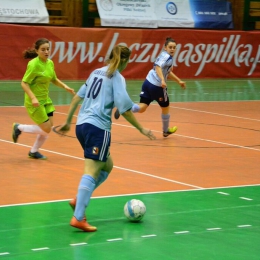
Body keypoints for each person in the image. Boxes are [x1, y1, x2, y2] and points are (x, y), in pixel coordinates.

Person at [57, 45, 156, 232]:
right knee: (91, 171)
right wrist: (142, 128)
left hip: (82, 125)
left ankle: (79, 199)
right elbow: (125, 110)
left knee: (107, 165)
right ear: (125, 61)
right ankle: (78, 217)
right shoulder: (117, 77)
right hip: (98, 128)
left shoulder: (96, 72)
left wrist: (68, 121)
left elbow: (77, 97)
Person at [12, 38, 75, 159]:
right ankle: (19, 127)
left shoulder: (50, 63)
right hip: (34, 102)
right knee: (46, 129)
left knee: (48, 127)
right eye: (43, 49)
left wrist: (65, 87)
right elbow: (24, 83)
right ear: (36, 51)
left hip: (45, 100)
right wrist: (33, 98)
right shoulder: (33, 64)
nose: (46, 52)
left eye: (48, 49)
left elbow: (53, 79)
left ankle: (34, 151)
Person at [114, 37, 186, 137]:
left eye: (174, 47)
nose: (172, 49)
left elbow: (167, 72)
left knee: (142, 107)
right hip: (157, 86)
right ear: (165, 47)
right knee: (165, 107)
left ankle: (127, 107)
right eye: (170, 47)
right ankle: (165, 130)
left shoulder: (164, 55)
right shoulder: (167, 58)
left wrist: (179, 81)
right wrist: (162, 80)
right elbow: (157, 67)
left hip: (147, 82)